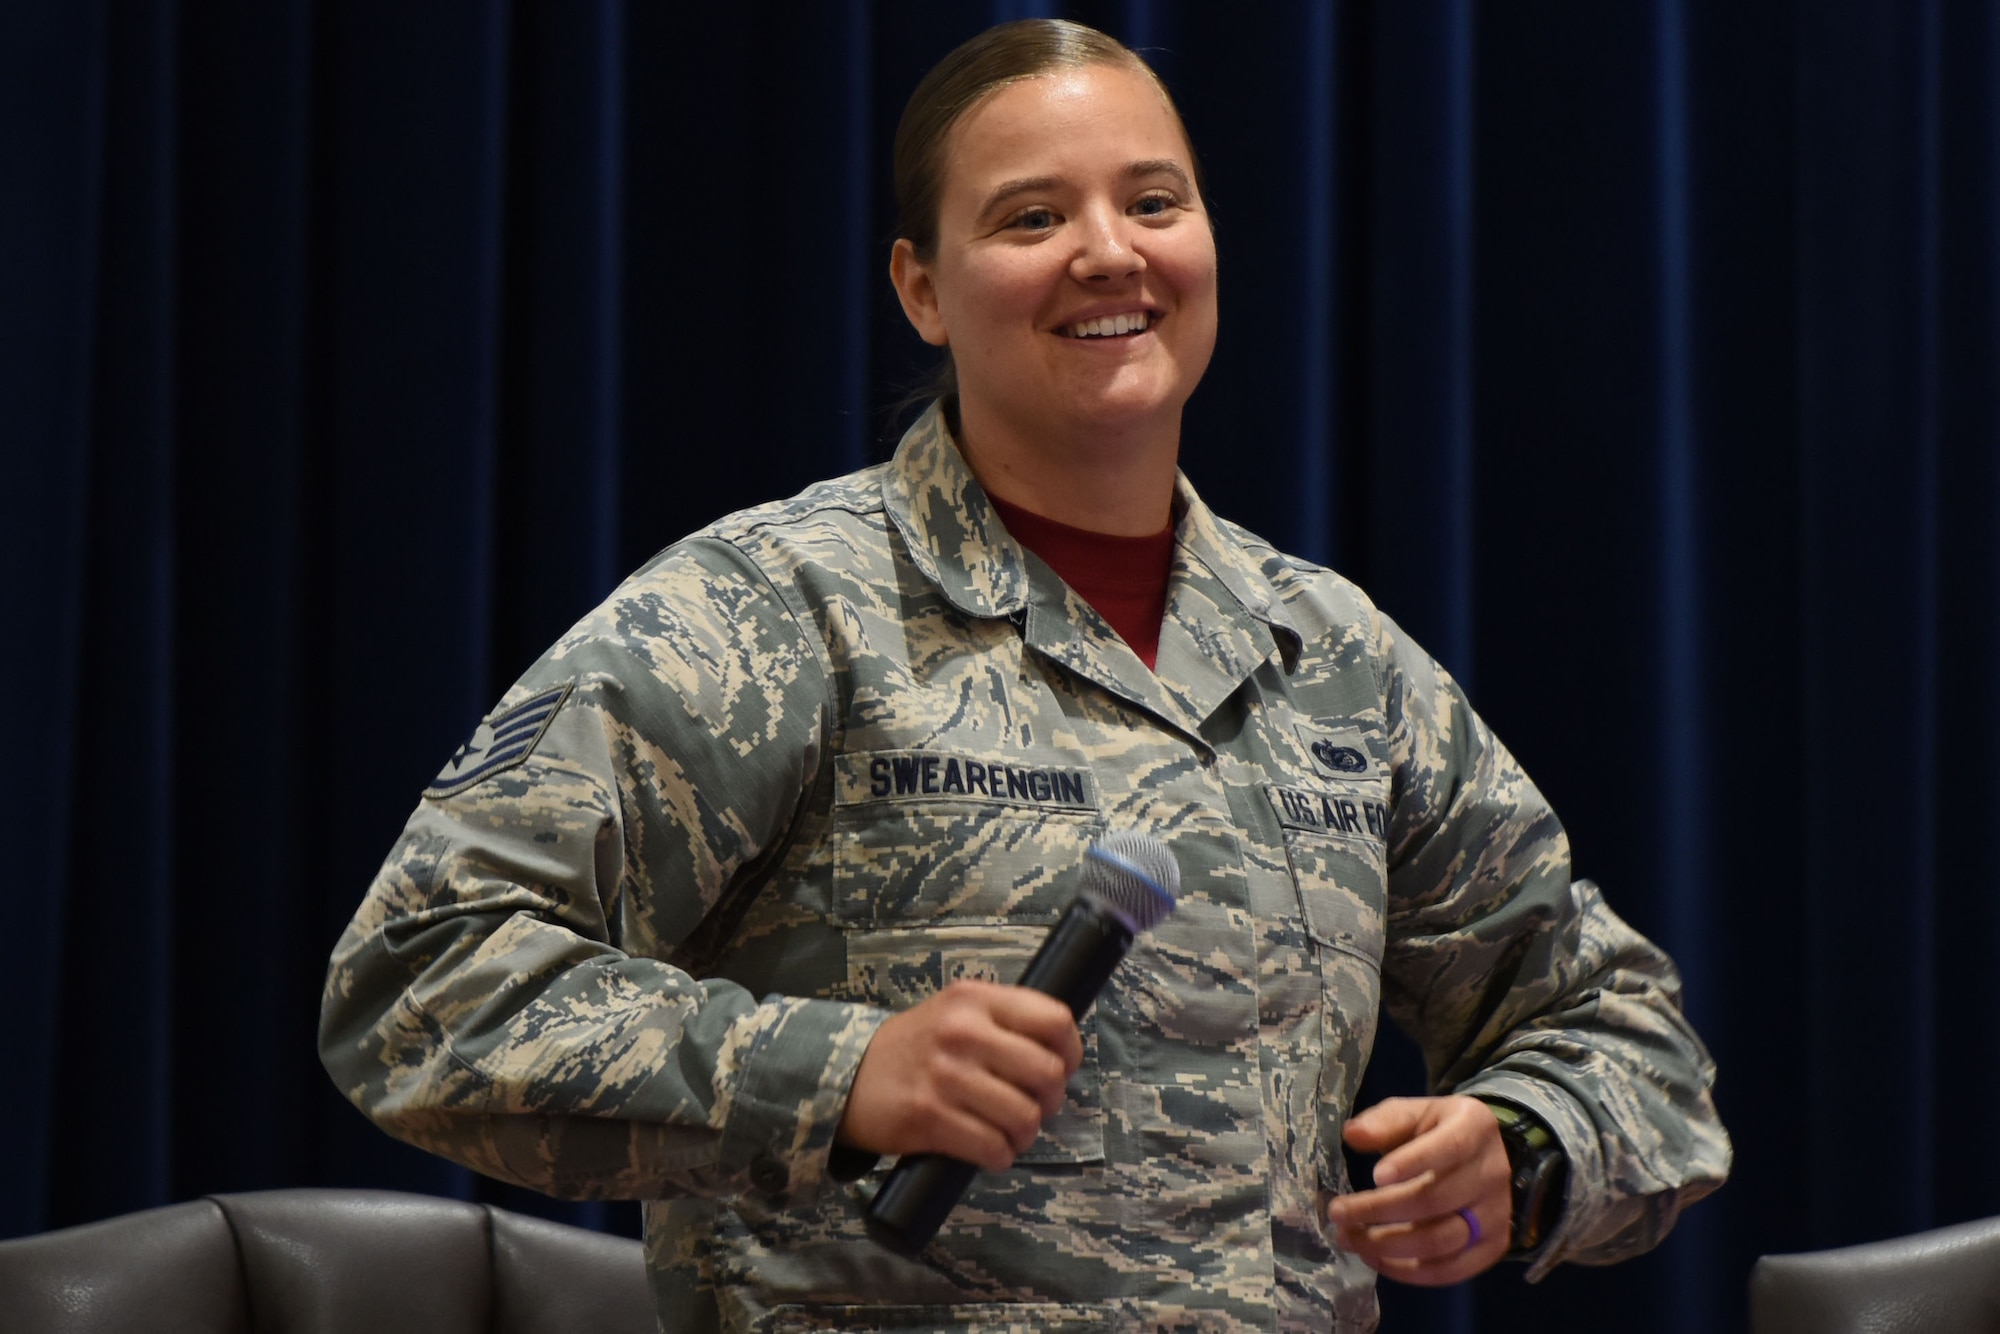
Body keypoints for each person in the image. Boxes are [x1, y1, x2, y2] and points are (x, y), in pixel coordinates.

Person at [320, 19, 1729, 1332]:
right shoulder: (775, 611)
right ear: (921, 288)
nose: (1109, 252)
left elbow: (1621, 1029)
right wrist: (839, 1074)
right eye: (1031, 216)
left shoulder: (1335, 658)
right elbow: (419, 983)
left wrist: (1526, 1143)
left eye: (1155, 202)